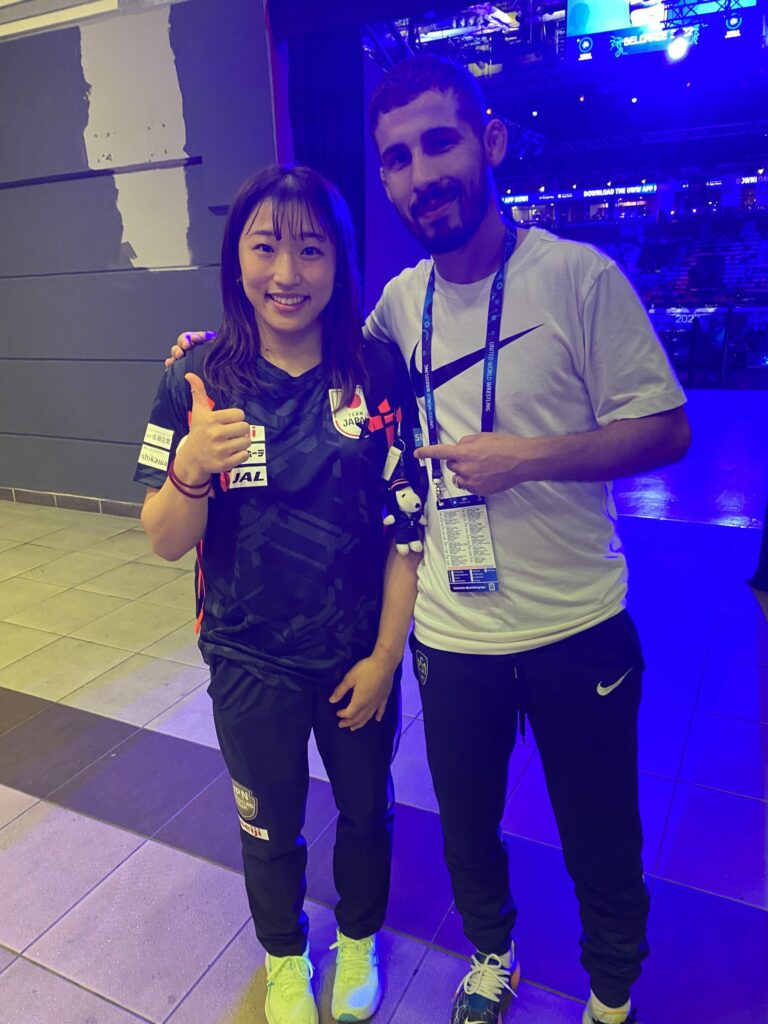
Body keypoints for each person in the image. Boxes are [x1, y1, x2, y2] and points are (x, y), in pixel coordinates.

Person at [165, 55, 691, 1024]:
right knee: (468, 831)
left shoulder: (579, 278)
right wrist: (205, 352)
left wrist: (528, 458)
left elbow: (667, 431)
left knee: (600, 834)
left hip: (576, 624)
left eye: (440, 143)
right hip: (452, 636)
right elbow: (295, 329)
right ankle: (491, 955)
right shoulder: (397, 308)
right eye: (398, 158)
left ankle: (611, 997)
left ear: (489, 142)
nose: (421, 174)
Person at [136, 164, 423, 1024]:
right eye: (265, 248)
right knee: (269, 824)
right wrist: (191, 466)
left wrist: (385, 658)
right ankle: (286, 955)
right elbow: (163, 539)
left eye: (311, 249)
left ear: (340, 260)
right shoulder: (196, 376)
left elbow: (407, 530)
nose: (287, 274)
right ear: (237, 258)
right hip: (246, 656)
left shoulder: (376, 370)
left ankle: (360, 938)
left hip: (355, 656)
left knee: (366, 812)